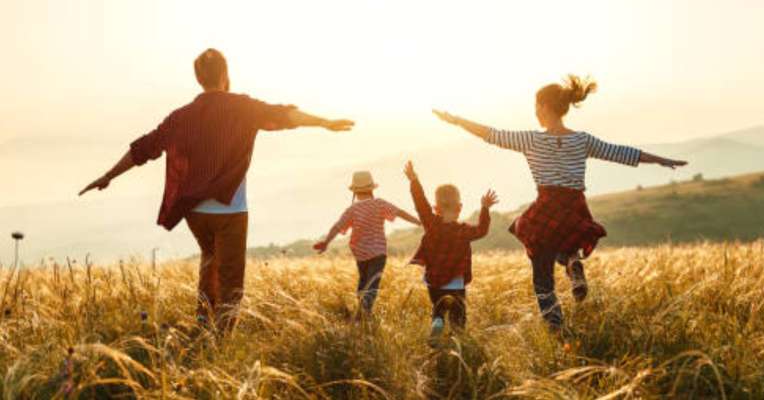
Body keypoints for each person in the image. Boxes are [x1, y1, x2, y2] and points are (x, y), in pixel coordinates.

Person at [79, 48, 354, 333]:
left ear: (199, 78)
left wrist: (109, 175)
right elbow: (284, 115)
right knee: (231, 279)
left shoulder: (180, 117)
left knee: (210, 260)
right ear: (224, 74)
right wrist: (324, 123)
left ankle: (203, 323)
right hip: (230, 211)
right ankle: (221, 339)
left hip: (195, 212)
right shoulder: (242, 107)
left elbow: (143, 149)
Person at [433, 75, 687, 332]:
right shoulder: (582, 140)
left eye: (536, 106)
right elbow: (621, 153)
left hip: (547, 205)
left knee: (540, 270)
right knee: (565, 243)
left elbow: (491, 134)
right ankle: (572, 262)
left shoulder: (532, 140)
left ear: (544, 107)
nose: (535, 112)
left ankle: (555, 325)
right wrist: (661, 160)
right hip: (574, 205)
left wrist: (457, 121)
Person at [403, 161, 497, 344]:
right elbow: (482, 230)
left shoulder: (430, 223)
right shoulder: (463, 231)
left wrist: (414, 181)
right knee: (458, 314)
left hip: (433, 279)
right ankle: (457, 340)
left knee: (438, 308)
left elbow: (420, 203)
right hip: (455, 280)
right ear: (459, 207)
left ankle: (437, 322)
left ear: (435, 208)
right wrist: (485, 209)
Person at [314, 171, 420, 318]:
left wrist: (326, 242)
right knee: (372, 284)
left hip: (361, 254)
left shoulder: (352, 210)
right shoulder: (379, 203)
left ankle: (362, 313)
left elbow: (337, 227)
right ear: (371, 189)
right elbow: (399, 212)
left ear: (355, 192)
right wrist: (419, 221)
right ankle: (364, 313)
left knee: (363, 282)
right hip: (378, 253)